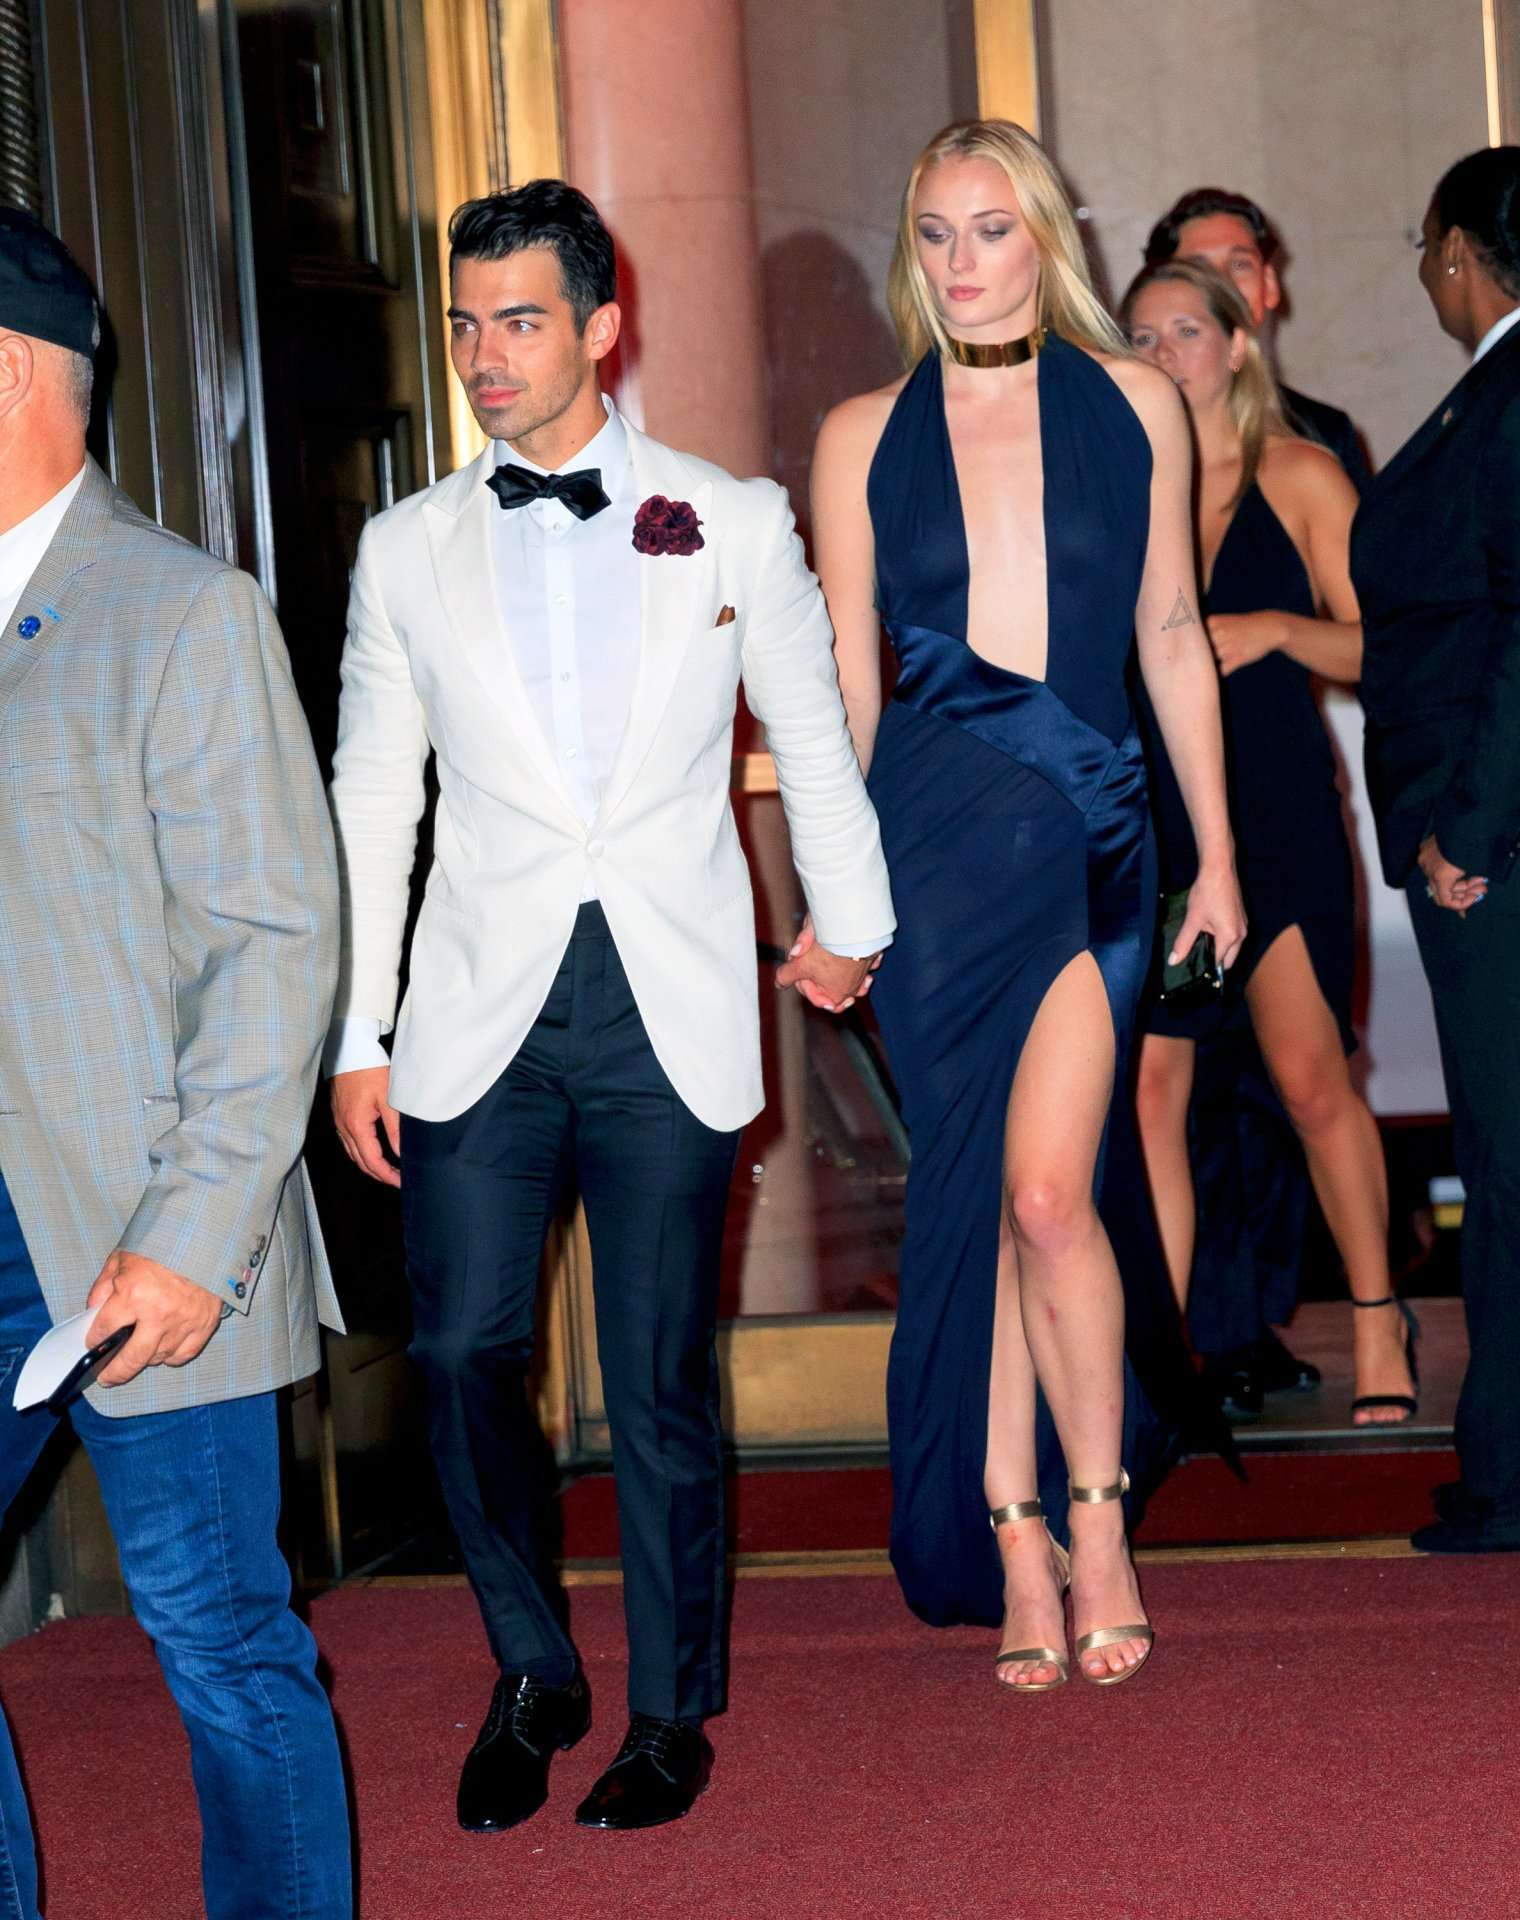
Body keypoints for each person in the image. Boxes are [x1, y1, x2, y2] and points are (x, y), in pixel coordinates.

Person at [326, 180, 893, 1827]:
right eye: (466, 324)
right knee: (458, 1351)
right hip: (475, 1014)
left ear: (600, 329)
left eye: (519, 321)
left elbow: (810, 731)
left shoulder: (731, 520)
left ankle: (667, 1713)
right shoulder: (404, 549)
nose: (485, 357)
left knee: (655, 1380)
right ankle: (533, 1667)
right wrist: (359, 1030)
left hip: (668, 1003)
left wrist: (849, 921)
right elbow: (374, 799)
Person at [809, 120, 1244, 1693]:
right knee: (979, 1202)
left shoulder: (1135, 403)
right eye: (935, 233)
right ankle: (1011, 1531)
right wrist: (835, 897)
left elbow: (1174, 631)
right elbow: (847, 683)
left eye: (991, 229)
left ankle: (1099, 1518)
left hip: (1090, 843)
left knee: (1054, 1196)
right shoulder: (862, 433)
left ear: (1046, 236)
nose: (962, 262)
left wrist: (1220, 856)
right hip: (928, 855)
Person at [0, 209, 349, 1918]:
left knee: (217, 1633)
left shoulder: (182, 613)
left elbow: (272, 946)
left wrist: (198, 1238)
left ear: (10, 369)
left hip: (146, 1226)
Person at [1124, 260, 1415, 1427]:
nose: (1161, 353)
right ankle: (1161, 1363)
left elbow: (1385, 648)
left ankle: (1377, 1317)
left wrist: (1280, 629)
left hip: (1275, 817)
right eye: (1140, 335)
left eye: (1184, 332)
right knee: (1152, 1090)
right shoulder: (1118, 486)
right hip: (1155, 820)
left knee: (1307, 1080)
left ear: (1237, 345)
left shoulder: (1296, 471)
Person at [1353, 147, 1520, 1552]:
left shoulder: (1510, 397)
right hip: (1486, 833)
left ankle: (1511, 1473)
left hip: (1495, 850)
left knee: (1509, 1163)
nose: (1422, 273)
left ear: (1462, 250)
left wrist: (1466, 827)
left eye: (1424, 246)